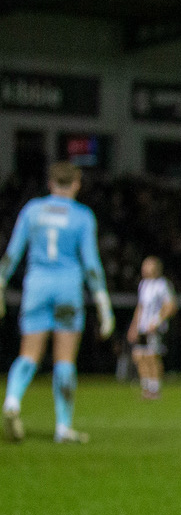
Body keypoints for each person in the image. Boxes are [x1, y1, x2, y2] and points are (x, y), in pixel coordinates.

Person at [1, 161, 114, 443]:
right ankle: (63, 426)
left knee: (29, 353)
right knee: (64, 359)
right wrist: (102, 301)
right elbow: (91, 263)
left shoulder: (32, 210)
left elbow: (12, 253)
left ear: (51, 183)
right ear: (76, 184)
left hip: (36, 288)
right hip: (67, 289)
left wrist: (1, 282)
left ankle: (12, 400)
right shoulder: (82, 216)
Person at [126, 255, 177, 400]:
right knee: (139, 356)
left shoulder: (162, 285)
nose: (144, 268)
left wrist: (156, 321)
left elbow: (170, 306)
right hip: (142, 327)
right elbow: (140, 307)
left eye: (147, 265)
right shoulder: (143, 284)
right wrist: (134, 327)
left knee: (152, 356)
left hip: (154, 328)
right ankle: (146, 387)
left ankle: (155, 389)